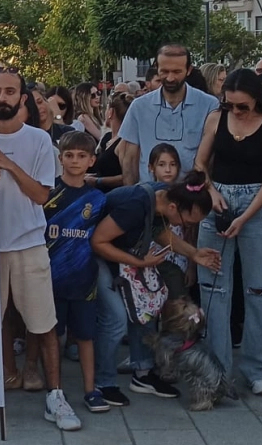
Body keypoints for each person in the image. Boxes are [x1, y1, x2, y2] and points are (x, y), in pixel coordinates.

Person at [0, 71, 79, 431]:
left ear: (22, 98)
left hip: (28, 243)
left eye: (10, 91)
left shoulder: (38, 140)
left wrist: (9, 166)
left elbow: (41, 195)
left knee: (44, 324)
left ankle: (56, 397)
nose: (2, 97)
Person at [90, 167, 219, 402]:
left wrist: (194, 253)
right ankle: (103, 382)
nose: (188, 228)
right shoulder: (136, 205)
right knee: (116, 318)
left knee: (148, 307)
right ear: (174, 208)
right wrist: (140, 262)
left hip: (124, 254)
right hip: (95, 255)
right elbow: (98, 242)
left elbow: (160, 232)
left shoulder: (165, 198)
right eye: (188, 223)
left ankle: (143, 373)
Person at [194, 69, 262, 396]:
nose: (235, 111)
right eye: (229, 105)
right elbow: (200, 163)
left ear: (256, 100)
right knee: (213, 288)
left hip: (256, 204)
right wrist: (211, 191)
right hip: (218, 200)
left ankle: (260, 368)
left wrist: (246, 216)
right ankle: (216, 368)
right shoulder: (216, 118)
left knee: (258, 289)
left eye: (242, 106)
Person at [45, 131, 105, 412]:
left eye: (82, 156)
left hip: (84, 280)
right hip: (51, 279)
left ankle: (91, 390)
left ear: (92, 160)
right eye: (69, 155)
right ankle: (55, 390)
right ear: (60, 159)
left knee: (85, 336)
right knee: (52, 336)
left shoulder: (98, 199)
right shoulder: (48, 193)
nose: (75, 161)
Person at [117, 44, 218, 181]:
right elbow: (130, 158)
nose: (170, 78)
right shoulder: (139, 106)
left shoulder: (209, 105)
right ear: (157, 68)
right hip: (149, 190)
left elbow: (212, 158)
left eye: (177, 72)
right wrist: (132, 192)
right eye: (164, 71)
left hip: (190, 191)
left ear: (188, 70)